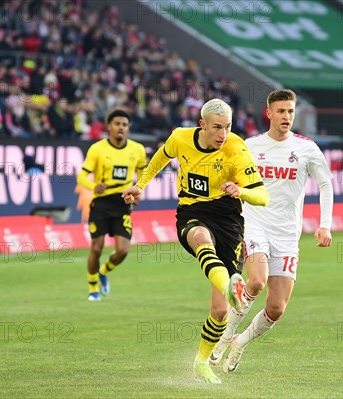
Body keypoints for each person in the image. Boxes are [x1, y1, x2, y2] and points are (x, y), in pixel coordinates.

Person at [121, 98, 269, 384]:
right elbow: (162, 157)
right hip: (193, 212)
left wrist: (241, 191)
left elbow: (263, 196)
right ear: (202, 124)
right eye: (216, 127)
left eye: (227, 127)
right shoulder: (180, 138)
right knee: (200, 238)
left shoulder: (236, 148)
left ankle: (202, 361)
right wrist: (140, 185)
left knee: (220, 311)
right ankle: (231, 287)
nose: (222, 134)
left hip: (229, 221)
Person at [209, 89, 333, 373]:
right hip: (255, 225)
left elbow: (326, 184)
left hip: (288, 235)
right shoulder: (250, 146)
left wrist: (325, 224)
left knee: (276, 309)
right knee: (256, 281)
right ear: (269, 113)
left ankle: (239, 342)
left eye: (290, 111)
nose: (286, 116)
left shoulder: (306, 148)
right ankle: (224, 337)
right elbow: (224, 173)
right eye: (281, 111)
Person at [77, 108, 147, 301]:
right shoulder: (97, 149)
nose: (120, 128)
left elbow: (143, 174)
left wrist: (139, 190)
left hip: (122, 203)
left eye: (124, 125)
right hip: (101, 203)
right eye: (117, 124)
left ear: (128, 128)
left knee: (123, 250)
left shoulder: (137, 150)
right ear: (109, 127)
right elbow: (81, 176)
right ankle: (93, 288)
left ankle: (104, 271)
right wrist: (93, 186)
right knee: (97, 248)